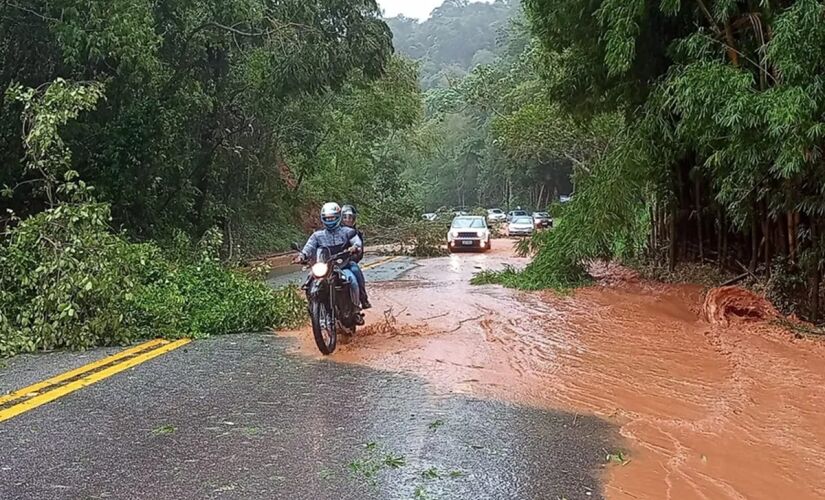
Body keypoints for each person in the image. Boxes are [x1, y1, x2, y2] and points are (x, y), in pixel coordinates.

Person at [293, 202, 365, 323]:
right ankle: (313, 309)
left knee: (352, 279)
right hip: (324, 266)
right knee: (309, 282)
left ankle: (356, 310)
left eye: (332, 217)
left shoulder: (347, 231)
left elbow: (356, 242)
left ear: (338, 217)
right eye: (327, 218)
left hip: (343, 265)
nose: (330, 220)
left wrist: (355, 247)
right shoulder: (317, 235)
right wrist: (302, 256)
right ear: (323, 218)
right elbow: (309, 247)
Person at [341, 204, 371, 309]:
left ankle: (363, 298)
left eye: (350, 218)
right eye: (345, 217)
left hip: (348, 262)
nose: (348, 220)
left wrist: (353, 252)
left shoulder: (355, 233)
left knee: (355, 270)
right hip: (332, 263)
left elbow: (359, 249)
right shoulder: (333, 231)